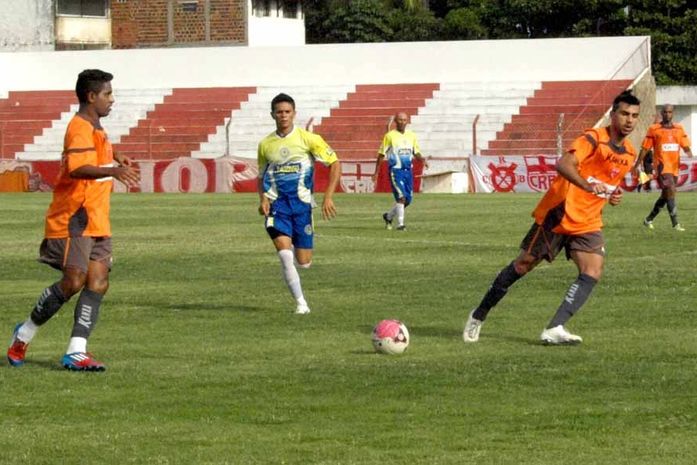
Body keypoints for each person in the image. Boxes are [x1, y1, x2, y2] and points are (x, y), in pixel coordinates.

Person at [463, 90, 641, 345]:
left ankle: (555, 327)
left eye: (634, 115)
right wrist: (588, 187)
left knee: (593, 270)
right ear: (613, 115)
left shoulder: (630, 153)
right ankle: (479, 315)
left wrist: (612, 195)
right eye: (624, 114)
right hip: (560, 211)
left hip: (588, 220)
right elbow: (564, 164)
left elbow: (605, 182)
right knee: (523, 264)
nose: (629, 120)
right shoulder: (593, 139)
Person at [7, 69, 140, 371]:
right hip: (74, 217)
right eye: (107, 94)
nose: (112, 99)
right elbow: (78, 168)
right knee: (74, 282)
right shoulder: (79, 127)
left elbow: (92, 155)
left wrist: (116, 157)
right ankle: (24, 333)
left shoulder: (95, 127)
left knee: (98, 282)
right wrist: (113, 171)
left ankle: (76, 351)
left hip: (97, 217)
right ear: (91, 96)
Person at [258, 93, 341, 314]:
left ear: (294, 113)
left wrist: (328, 196)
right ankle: (301, 303)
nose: (283, 115)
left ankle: (295, 242)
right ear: (272, 115)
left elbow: (334, 163)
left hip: (302, 207)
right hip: (278, 208)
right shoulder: (266, 144)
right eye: (279, 112)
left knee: (304, 262)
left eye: (287, 112)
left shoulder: (308, 139)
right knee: (285, 256)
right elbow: (262, 175)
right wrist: (263, 198)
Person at [634, 104, 693, 231]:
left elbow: (685, 146)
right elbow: (645, 148)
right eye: (665, 112)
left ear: (673, 114)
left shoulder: (679, 129)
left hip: (674, 167)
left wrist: (690, 155)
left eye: (670, 112)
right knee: (670, 189)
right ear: (662, 113)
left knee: (666, 195)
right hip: (661, 167)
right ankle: (675, 224)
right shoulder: (654, 129)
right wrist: (637, 163)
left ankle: (648, 219)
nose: (667, 114)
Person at [372, 112, 429, 231]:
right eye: (400, 120)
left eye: (404, 120)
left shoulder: (411, 135)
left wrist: (422, 160)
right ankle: (401, 225)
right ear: (395, 122)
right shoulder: (390, 136)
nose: (402, 122)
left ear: (407, 121)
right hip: (396, 171)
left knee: (407, 200)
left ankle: (388, 216)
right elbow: (381, 154)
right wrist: (376, 172)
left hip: (408, 172)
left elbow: (416, 151)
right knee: (401, 198)